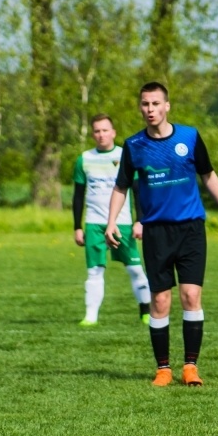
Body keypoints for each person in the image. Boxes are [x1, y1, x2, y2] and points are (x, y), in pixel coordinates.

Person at [105, 82, 218, 387]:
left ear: (167, 106)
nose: (150, 109)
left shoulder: (189, 137)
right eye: (145, 104)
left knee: (191, 295)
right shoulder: (134, 145)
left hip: (191, 229)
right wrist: (111, 221)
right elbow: (121, 186)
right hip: (156, 232)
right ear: (140, 108)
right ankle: (163, 368)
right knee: (160, 301)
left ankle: (190, 367)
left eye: (155, 103)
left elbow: (208, 174)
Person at [72, 113, 150, 326]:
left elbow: (137, 190)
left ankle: (145, 311)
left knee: (134, 268)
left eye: (105, 130)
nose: (101, 135)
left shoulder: (127, 156)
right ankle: (91, 316)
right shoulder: (84, 159)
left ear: (113, 132)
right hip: (94, 224)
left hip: (122, 223)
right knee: (94, 270)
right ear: (92, 134)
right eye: (97, 131)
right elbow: (78, 195)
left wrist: (139, 221)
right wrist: (77, 227)